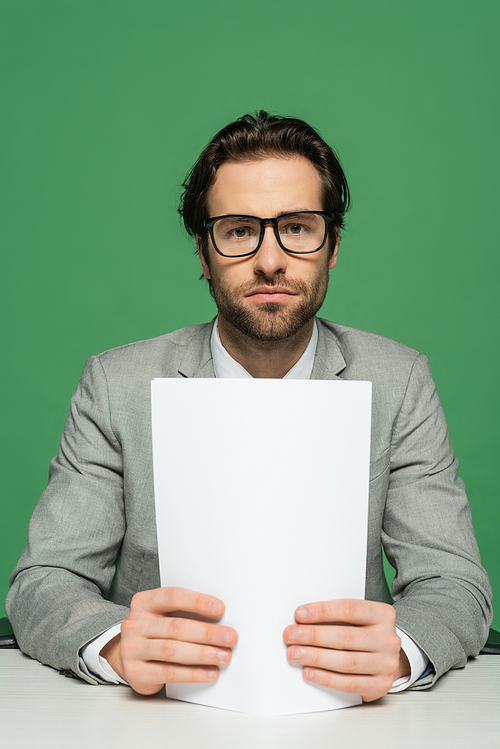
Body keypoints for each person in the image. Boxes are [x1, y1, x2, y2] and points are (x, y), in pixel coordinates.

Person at [6, 111, 492, 703]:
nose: (269, 260)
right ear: (203, 251)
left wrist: (402, 651)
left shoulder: (400, 380)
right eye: (238, 230)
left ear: (332, 244)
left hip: (348, 714)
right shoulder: (117, 383)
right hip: (156, 716)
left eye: (297, 226)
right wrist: (112, 644)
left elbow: (454, 581)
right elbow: (44, 580)